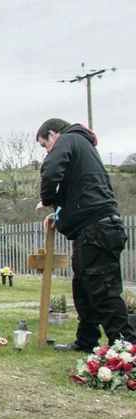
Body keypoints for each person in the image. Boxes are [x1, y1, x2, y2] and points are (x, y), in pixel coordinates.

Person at [35, 118, 135, 352]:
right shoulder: (83, 147)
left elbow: (51, 171)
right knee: (83, 287)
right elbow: (80, 190)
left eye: (44, 145)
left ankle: (125, 348)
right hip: (96, 228)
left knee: (102, 289)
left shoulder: (68, 138)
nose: (46, 151)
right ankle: (86, 340)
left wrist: (47, 200)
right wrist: (58, 215)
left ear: (52, 134)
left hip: (96, 229)